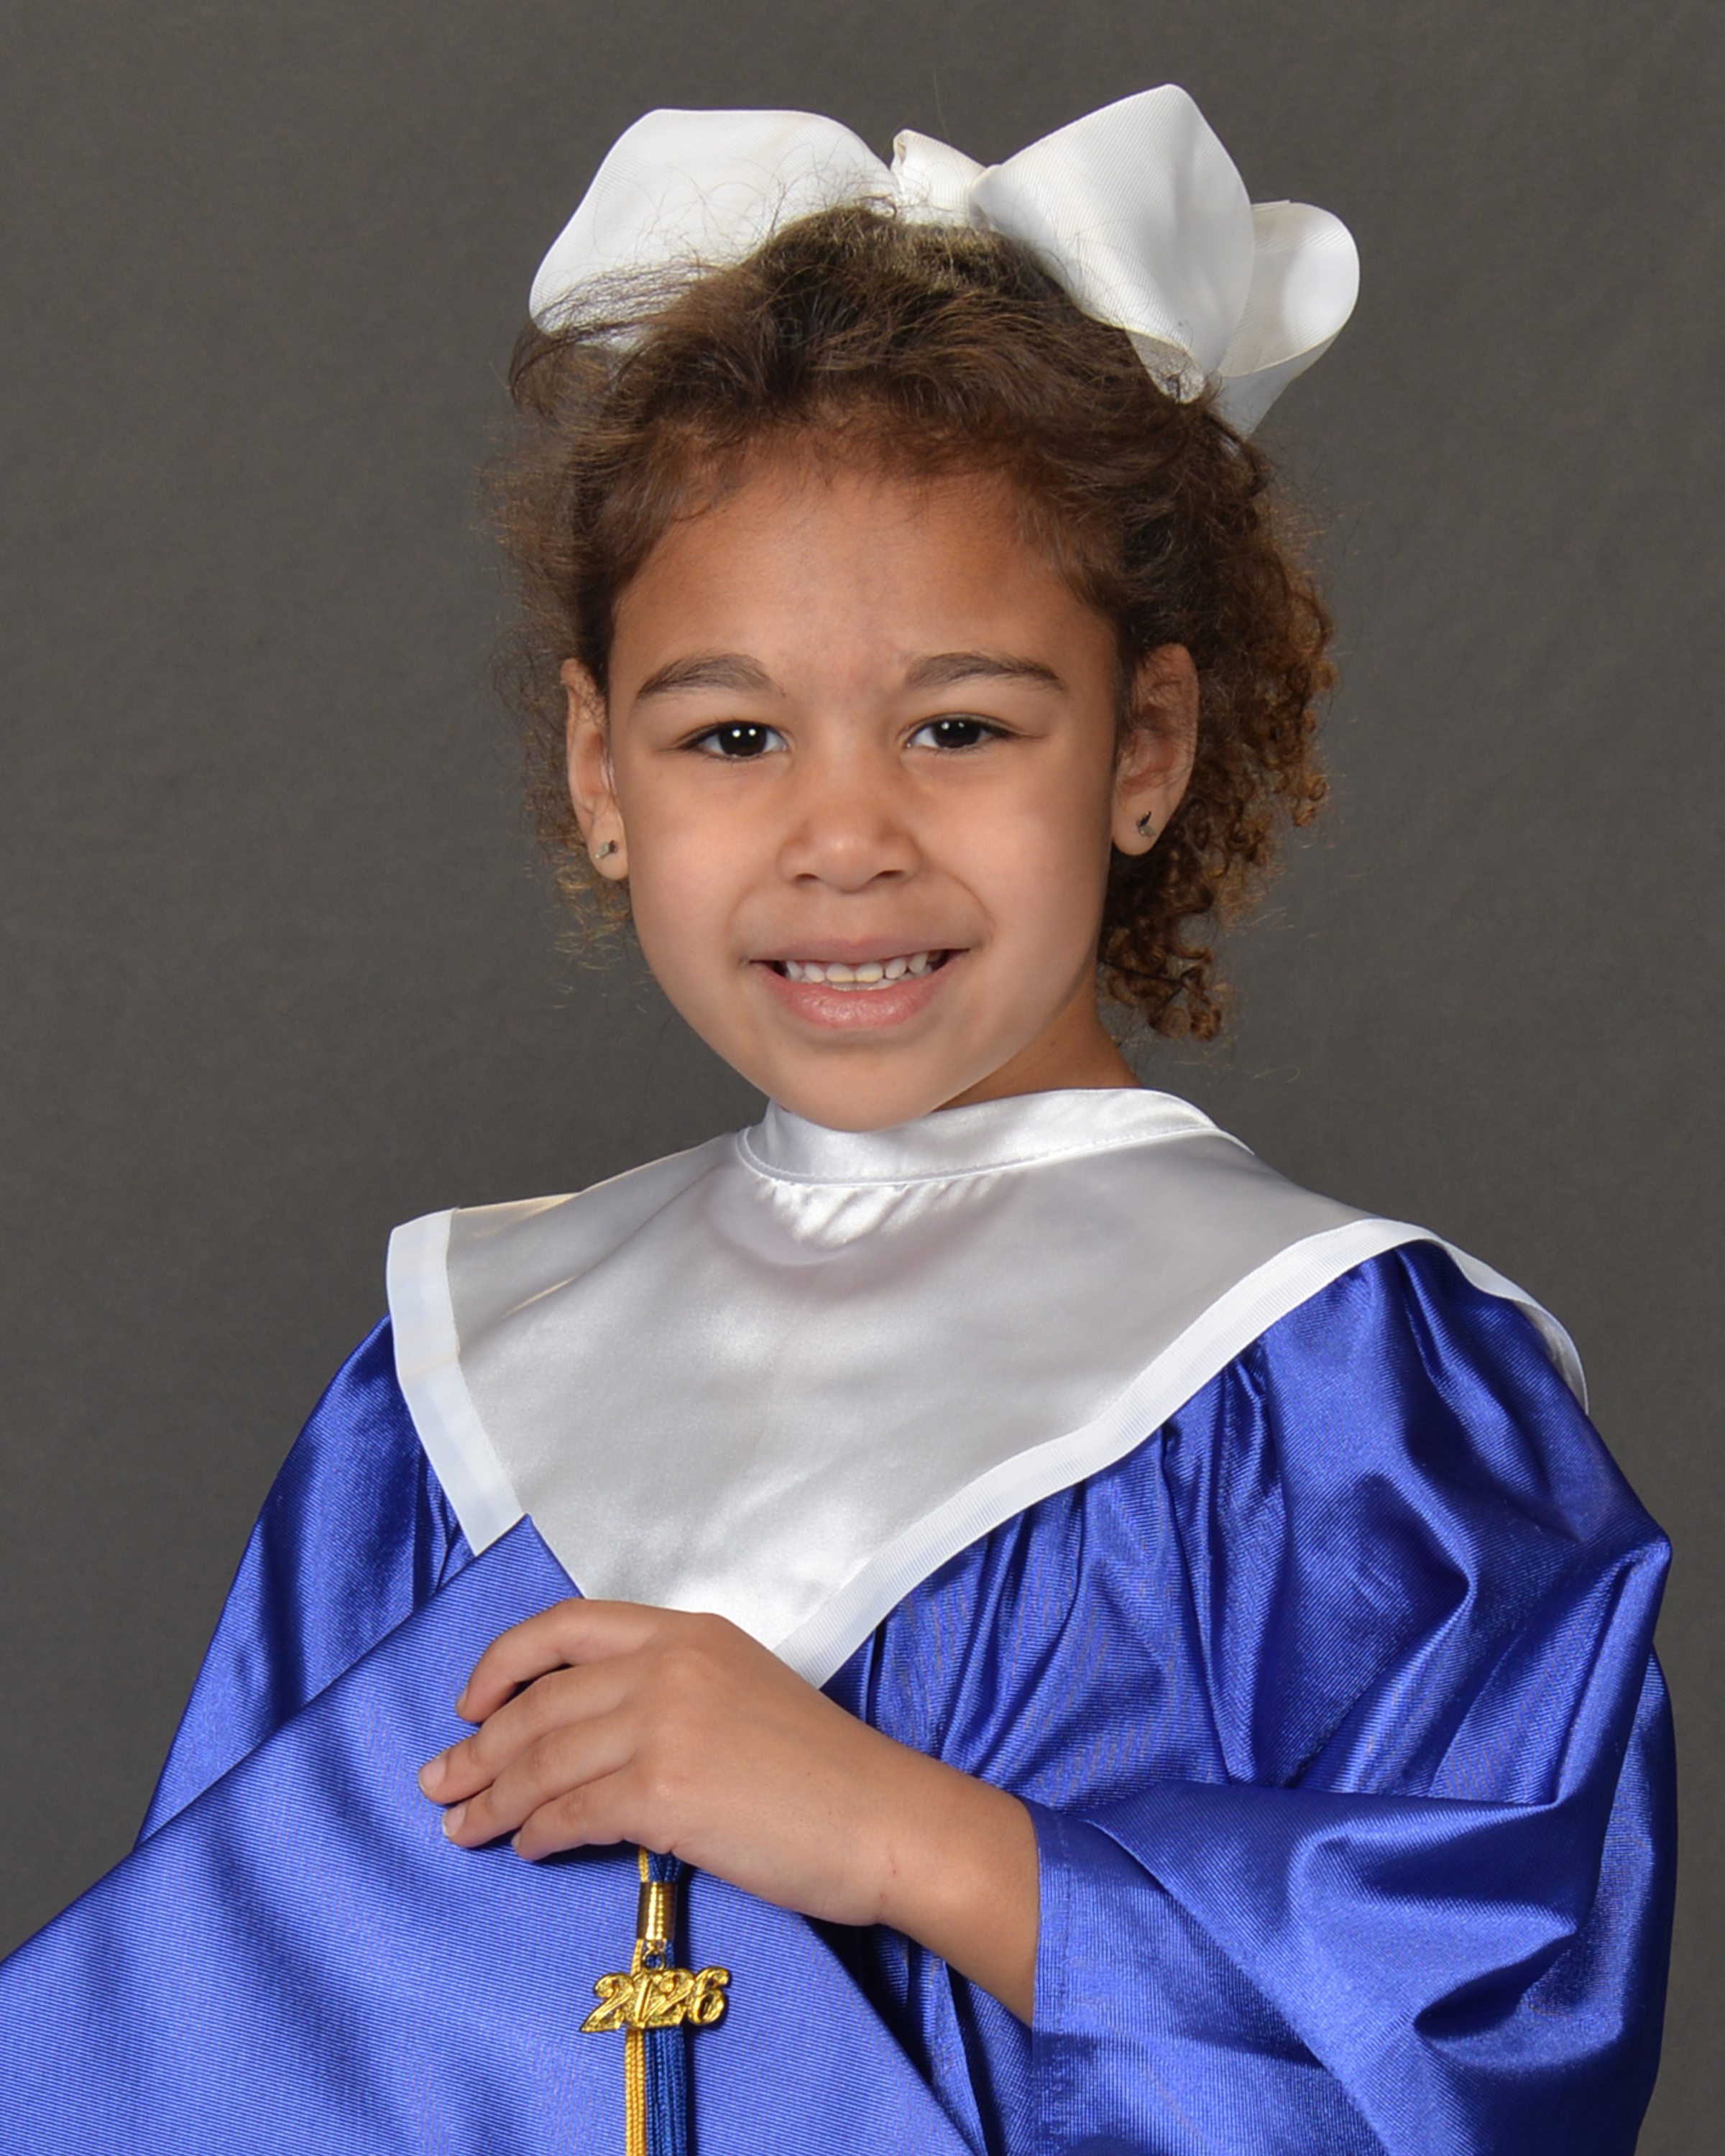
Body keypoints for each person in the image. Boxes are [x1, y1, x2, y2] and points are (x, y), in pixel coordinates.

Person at [0, 89, 1673, 2156]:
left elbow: (1490, 2038)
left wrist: (895, 1834)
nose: (846, 837)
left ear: (1145, 746)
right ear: (601, 776)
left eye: (959, 725)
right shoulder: (444, 1397)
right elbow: (219, 2046)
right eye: (733, 735)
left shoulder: (1347, 1404)